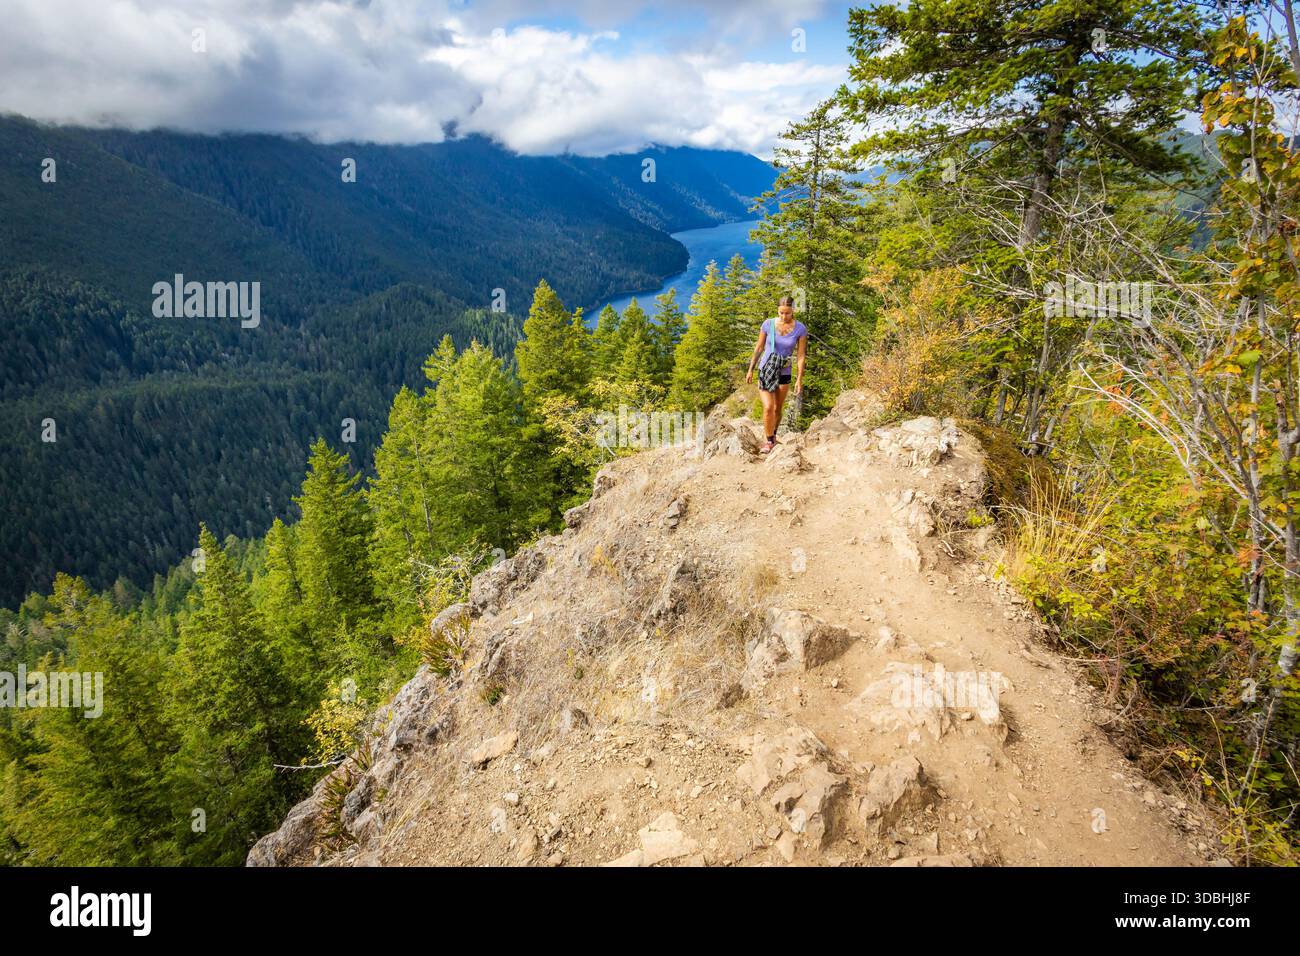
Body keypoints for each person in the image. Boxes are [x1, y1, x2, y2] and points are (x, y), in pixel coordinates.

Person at [745, 295, 807, 454]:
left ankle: (773, 435)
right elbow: (759, 348)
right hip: (766, 369)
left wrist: (799, 379)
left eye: (787, 313)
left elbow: (801, 356)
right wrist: (751, 369)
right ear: (777, 311)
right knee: (768, 407)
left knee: (778, 409)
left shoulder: (800, 329)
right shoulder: (768, 324)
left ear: (793, 310)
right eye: (781, 313)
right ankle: (769, 440)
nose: (783, 316)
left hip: (784, 371)